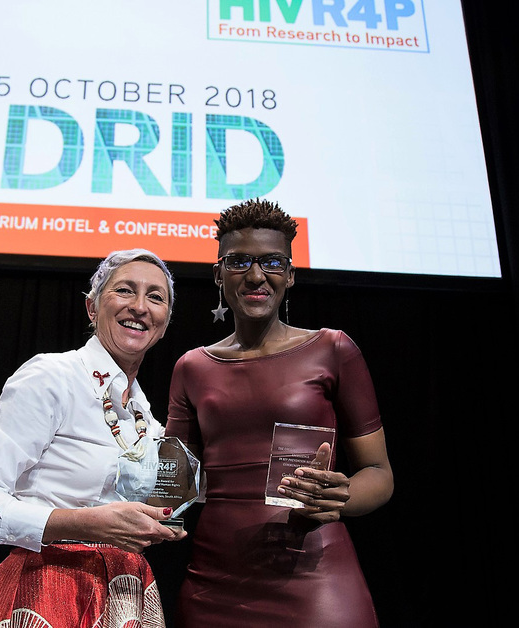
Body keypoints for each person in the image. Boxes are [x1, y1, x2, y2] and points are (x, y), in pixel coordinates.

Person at [165, 199, 394, 627]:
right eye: (239, 262)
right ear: (219, 274)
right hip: (215, 584)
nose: (256, 276)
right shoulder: (191, 367)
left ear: (289, 274)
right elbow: (172, 487)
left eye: (272, 262)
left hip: (316, 577)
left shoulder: (333, 349)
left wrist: (339, 498)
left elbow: (379, 474)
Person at [0, 249, 187, 628]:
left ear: (165, 322)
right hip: (45, 587)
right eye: (125, 290)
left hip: (124, 596)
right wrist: (85, 524)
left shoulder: (147, 417)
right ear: (92, 307)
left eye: (155, 297)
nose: (140, 306)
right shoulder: (52, 377)